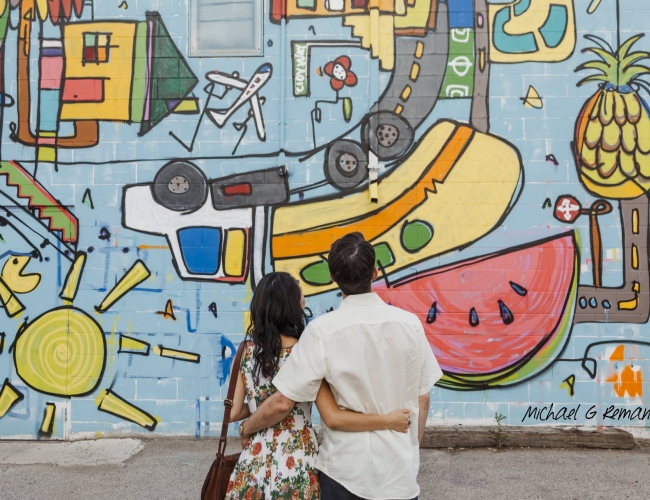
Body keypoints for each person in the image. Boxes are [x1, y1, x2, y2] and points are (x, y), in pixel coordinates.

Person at [240, 232, 443, 500]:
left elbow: (282, 401)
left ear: (333, 277)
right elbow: (423, 397)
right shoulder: (410, 325)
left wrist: (246, 427)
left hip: (344, 473)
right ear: (373, 273)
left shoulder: (321, 332)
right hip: (398, 474)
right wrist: (410, 450)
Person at [225, 272, 412, 499]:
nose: (304, 300)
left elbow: (234, 411)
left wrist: (252, 419)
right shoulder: (304, 351)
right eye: (301, 294)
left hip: (253, 458)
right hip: (295, 460)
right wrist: (388, 420)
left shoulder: (246, 351)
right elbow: (319, 412)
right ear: (292, 305)